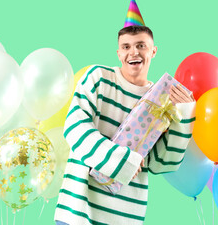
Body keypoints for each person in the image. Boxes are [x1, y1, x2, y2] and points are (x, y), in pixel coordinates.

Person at [54, 25, 196, 225]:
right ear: (119, 53)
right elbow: (75, 128)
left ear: (153, 51)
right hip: (78, 213)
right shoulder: (99, 78)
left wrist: (185, 113)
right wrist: (122, 160)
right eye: (126, 46)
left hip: (126, 218)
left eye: (141, 45)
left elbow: (161, 164)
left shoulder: (162, 99)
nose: (133, 52)